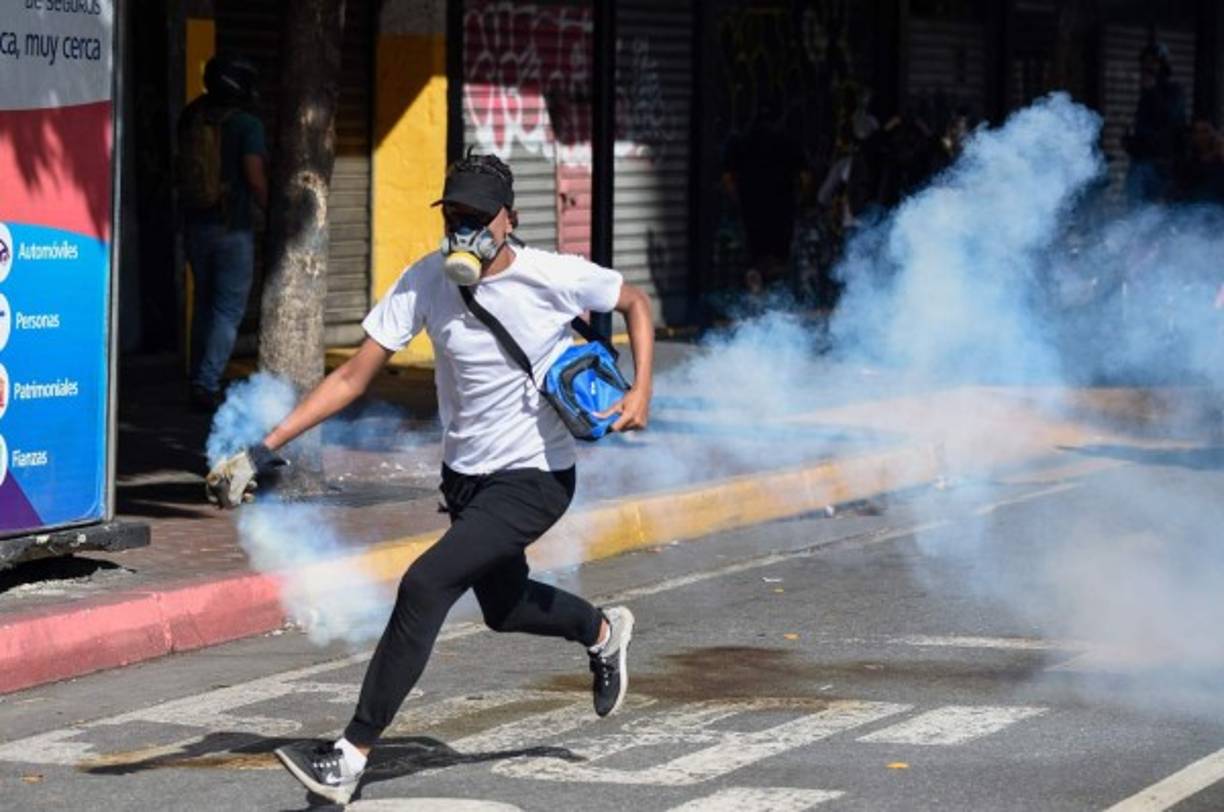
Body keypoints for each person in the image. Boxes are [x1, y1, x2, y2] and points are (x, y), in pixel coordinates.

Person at [205, 152, 655, 804]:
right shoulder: (426, 281)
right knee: (503, 608)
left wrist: (641, 389)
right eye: (454, 217)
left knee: (425, 584)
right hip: (465, 479)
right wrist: (262, 448)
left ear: (509, 220)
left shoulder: (551, 275)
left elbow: (635, 302)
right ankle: (603, 630)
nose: (463, 231)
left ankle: (349, 755)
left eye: (476, 218)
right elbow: (352, 376)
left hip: (535, 477)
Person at [177, 53, 269, 411]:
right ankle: (207, 381)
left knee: (203, 304)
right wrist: (273, 211)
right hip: (233, 228)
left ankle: (197, 375)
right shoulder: (247, 125)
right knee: (227, 310)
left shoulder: (192, 115)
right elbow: (255, 178)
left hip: (195, 224)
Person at [1123, 41, 1186, 205]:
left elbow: (1171, 119)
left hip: (1160, 162)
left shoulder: (1174, 91)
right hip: (1140, 160)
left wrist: (1152, 91)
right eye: (1146, 62)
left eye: (1153, 62)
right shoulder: (1145, 92)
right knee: (1135, 211)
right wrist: (1130, 142)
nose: (1148, 66)